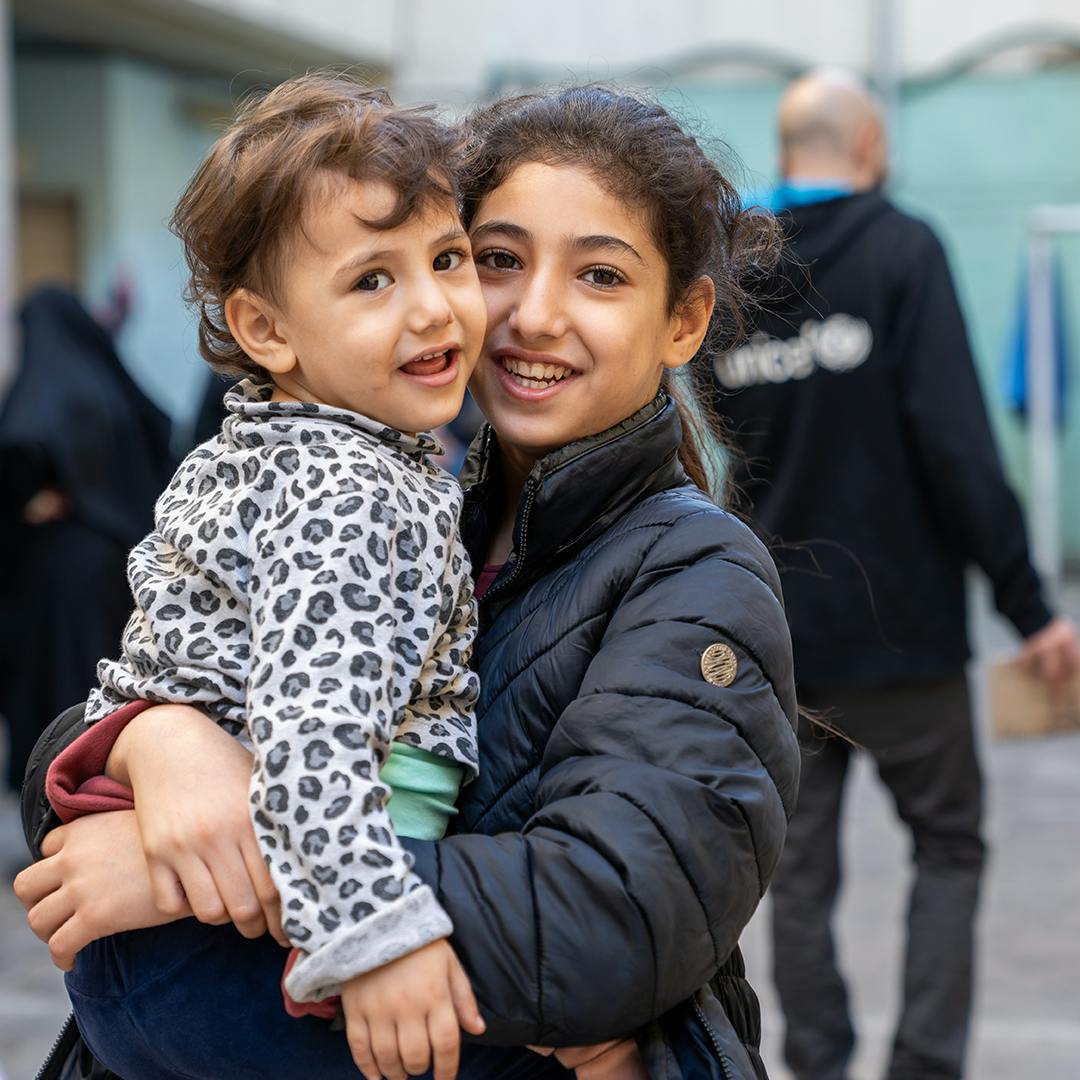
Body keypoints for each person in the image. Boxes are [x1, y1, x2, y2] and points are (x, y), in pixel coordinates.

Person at [17, 84, 800, 1080]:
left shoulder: (693, 575)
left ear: (684, 322)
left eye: (600, 275)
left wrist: (201, 870)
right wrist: (153, 741)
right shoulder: (394, 498)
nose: (533, 315)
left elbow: (616, 913)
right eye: (498, 259)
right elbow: (107, 722)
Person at [79, 74, 494, 1078]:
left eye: (448, 259)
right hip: (241, 945)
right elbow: (314, 736)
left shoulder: (273, 450)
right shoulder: (350, 488)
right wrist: (380, 942)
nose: (434, 306)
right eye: (372, 281)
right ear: (266, 331)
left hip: (184, 931)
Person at [713, 69, 1080, 1080]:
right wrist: (1031, 608)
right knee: (948, 847)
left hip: (780, 638)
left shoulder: (733, 274)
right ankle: (924, 1065)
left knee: (797, 870)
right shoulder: (905, 248)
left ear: (787, 150)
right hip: (908, 636)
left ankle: (818, 1062)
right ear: (870, 147)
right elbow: (958, 448)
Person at [0, 287, 173, 791]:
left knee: (58, 684)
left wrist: (30, 504)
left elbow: (19, 449)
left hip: (56, 571)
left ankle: (55, 788)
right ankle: (107, 780)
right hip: (120, 564)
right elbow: (159, 434)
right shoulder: (110, 386)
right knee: (103, 679)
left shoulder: (40, 392)